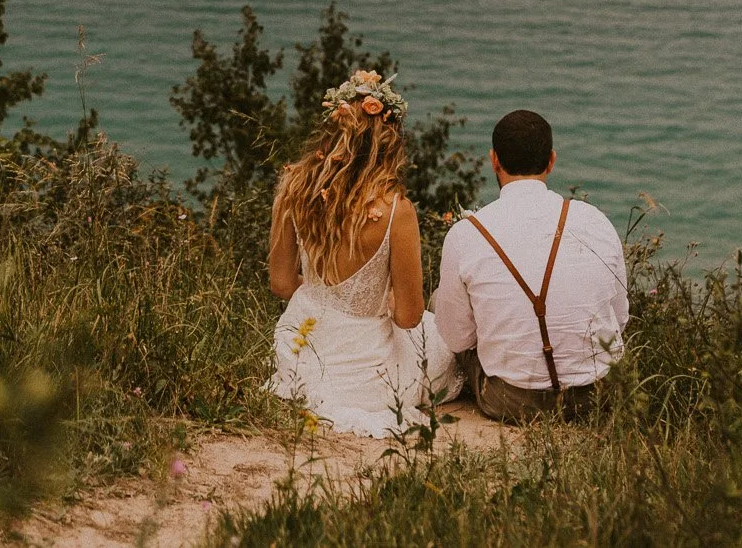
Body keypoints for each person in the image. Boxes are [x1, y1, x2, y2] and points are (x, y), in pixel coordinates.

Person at [267, 69, 458, 437]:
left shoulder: (292, 188)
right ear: (390, 143)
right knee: (442, 346)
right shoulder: (396, 212)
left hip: (301, 351)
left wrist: (326, 297)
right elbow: (408, 317)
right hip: (366, 371)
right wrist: (377, 301)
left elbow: (281, 284)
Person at [431, 109, 627, 422]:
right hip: (598, 395)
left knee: (442, 303)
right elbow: (619, 317)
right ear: (551, 161)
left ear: (494, 161)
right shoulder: (595, 221)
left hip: (511, 401)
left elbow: (456, 339)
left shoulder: (467, 233)